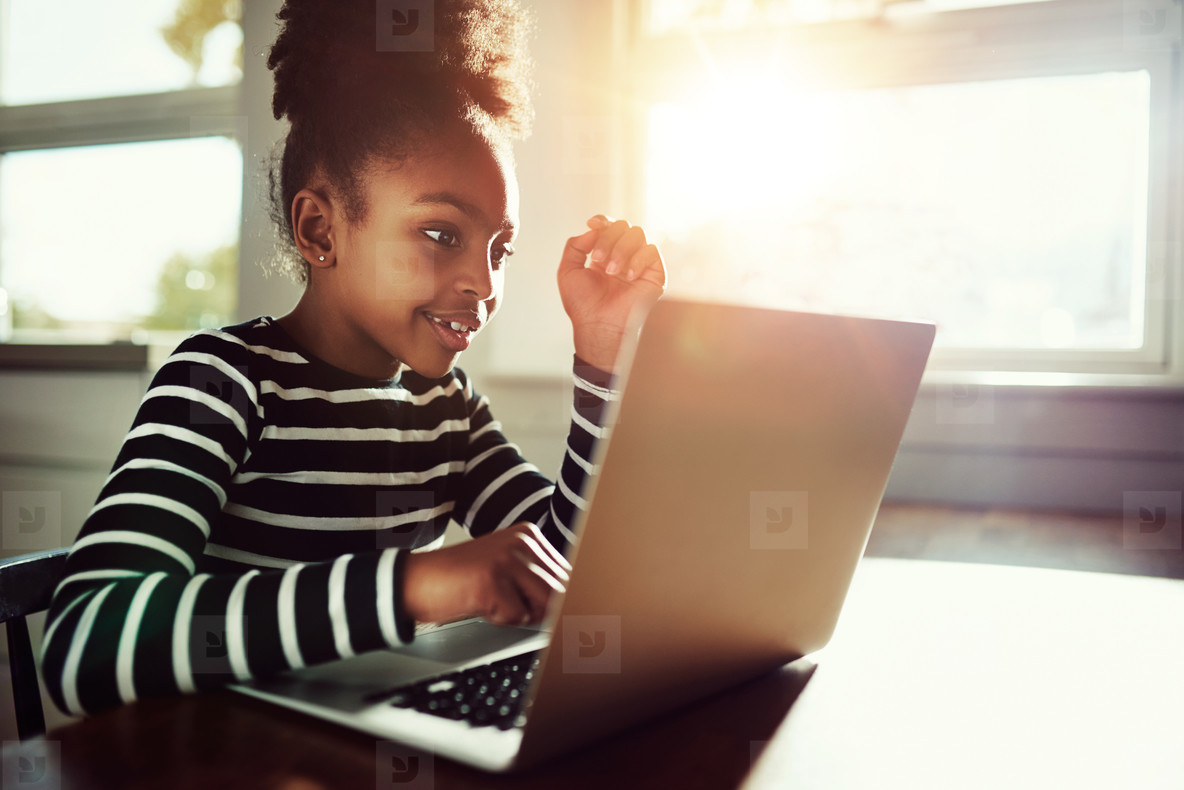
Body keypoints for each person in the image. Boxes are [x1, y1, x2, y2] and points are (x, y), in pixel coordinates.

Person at [40, 0, 664, 717]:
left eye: (501, 250)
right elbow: (83, 642)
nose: (484, 284)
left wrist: (604, 360)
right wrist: (413, 586)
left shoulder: (447, 412)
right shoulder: (221, 382)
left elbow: (572, 573)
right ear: (320, 229)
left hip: (366, 748)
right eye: (440, 233)